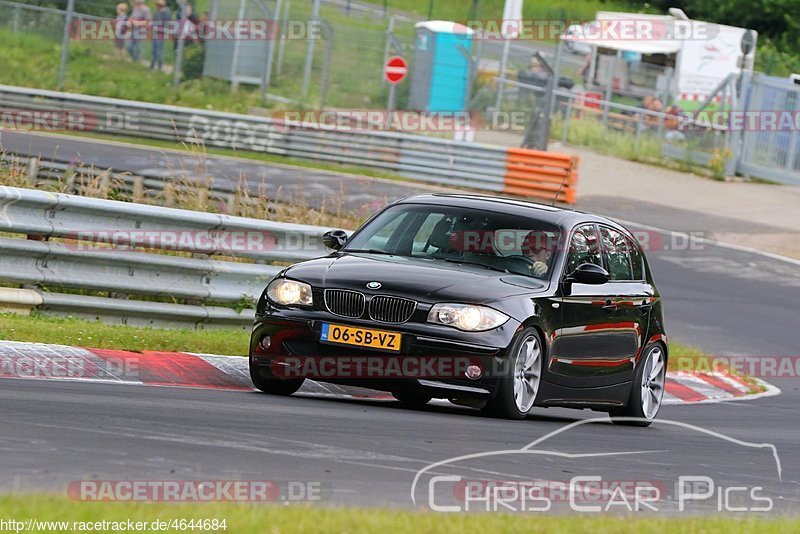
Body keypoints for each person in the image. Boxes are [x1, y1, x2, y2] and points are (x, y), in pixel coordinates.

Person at [150, 0, 171, 71]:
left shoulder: (166, 12)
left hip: (161, 33)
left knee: (159, 50)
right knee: (154, 50)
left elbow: (166, 24)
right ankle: (152, 65)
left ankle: (159, 66)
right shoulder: (157, 12)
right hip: (156, 32)